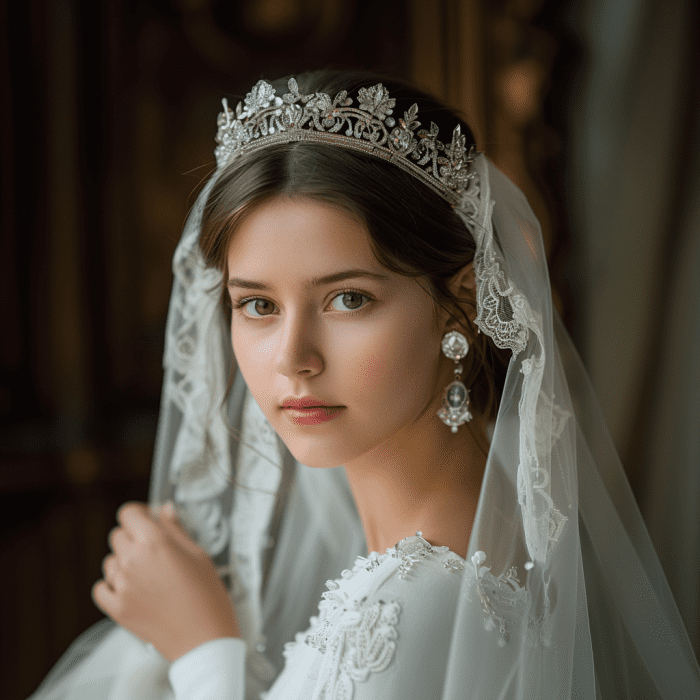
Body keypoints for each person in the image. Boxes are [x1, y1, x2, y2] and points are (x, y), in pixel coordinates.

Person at [28, 70, 700, 700]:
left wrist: (205, 650)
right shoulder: (451, 545)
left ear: (460, 299)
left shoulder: (415, 604)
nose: (294, 358)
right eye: (258, 305)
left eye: (348, 299)